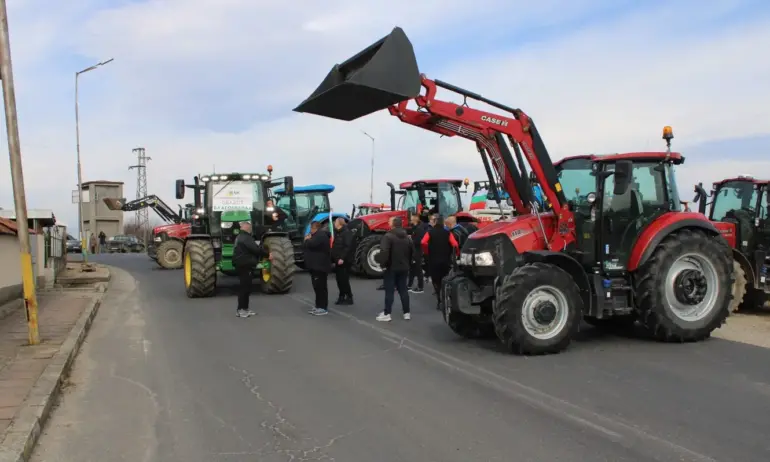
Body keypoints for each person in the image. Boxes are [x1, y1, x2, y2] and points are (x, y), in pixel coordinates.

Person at [375, 216, 413, 322]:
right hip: (404, 267)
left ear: (393, 224)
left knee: (389, 291)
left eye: (389, 221)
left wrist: (382, 264)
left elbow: (384, 252)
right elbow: (412, 252)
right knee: (403, 290)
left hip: (391, 267)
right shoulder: (408, 237)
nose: (388, 222)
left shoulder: (388, 236)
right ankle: (407, 313)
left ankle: (387, 313)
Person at [232, 221, 272, 318]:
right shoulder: (246, 238)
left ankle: (245, 308)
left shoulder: (240, 237)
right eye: (249, 227)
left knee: (247, 288)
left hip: (244, 264)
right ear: (246, 227)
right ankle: (240, 310)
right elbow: (255, 249)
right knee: (244, 288)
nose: (250, 229)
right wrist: (267, 254)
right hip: (245, 265)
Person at [421, 216, 460, 308]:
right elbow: (455, 244)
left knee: (436, 280)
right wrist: (456, 253)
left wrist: (427, 250)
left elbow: (423, 242)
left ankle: (439, 299)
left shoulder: (429, 232)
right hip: (445, 259)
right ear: (443, 223)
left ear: (434, 223)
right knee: (445, 278)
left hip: (433, 259)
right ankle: (445, 297)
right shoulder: (448, 233)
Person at [304, 221, 331, 315]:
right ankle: (318, 306)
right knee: (317, 287)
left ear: (314, 228)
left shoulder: (320, 236)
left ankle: (322, 307)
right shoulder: (316, 235)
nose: (310, 231)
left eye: (311, 228)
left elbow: (312, 244)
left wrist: (307, 240)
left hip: (320, 266)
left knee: (320, 287)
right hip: (315, 266)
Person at [331, 218, 354, 305]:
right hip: (337, 259)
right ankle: (342, 296)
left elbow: (347, 247)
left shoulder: (346, 233)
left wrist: (342, 258)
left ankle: (349, 296)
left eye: (336, 222)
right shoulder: (336, 233)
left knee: (344, 279)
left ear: (340, 223)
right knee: (339, 279)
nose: (334, 223)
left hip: (344, 260)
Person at [407, 214, 428, 293]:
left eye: (412, 218)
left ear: (416, 219)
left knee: (418, 270)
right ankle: (409, 285)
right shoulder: (414, 228)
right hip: (413, 252)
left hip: (417, 252)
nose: (410, 219)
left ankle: (420, 287)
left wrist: (410, 239)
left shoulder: (419, 229)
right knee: (412, 269)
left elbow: (419, 241)